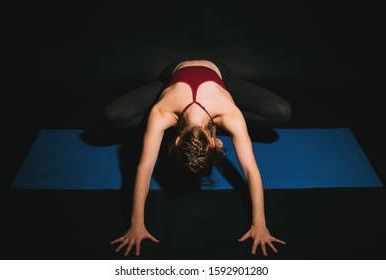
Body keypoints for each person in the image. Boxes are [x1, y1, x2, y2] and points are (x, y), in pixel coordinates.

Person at [106, 59, 291, 256]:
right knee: (115, 116)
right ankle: (188, 130)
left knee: (281, 112)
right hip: (174, 73)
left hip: (218, 71)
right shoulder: (162, 111)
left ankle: (182, 131)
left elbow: (250, 170)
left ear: (177, 141)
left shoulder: (229, 113)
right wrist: (137, 224)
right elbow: (145, 168)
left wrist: (260, 224)